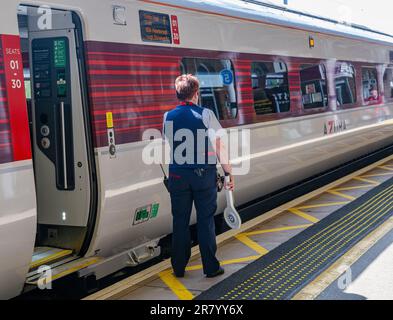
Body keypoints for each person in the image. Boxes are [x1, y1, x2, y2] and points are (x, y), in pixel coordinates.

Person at [163, 74, 234, 278]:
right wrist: (228, 172)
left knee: (180, 221)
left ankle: (178, 268)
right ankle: (211, 268)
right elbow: (219, 145)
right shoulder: (206, 114)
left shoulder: (167, 116)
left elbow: (169, 141)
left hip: (177, 176)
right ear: (196, 94)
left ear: (178, 94)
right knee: (205, 221)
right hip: (203, 175)